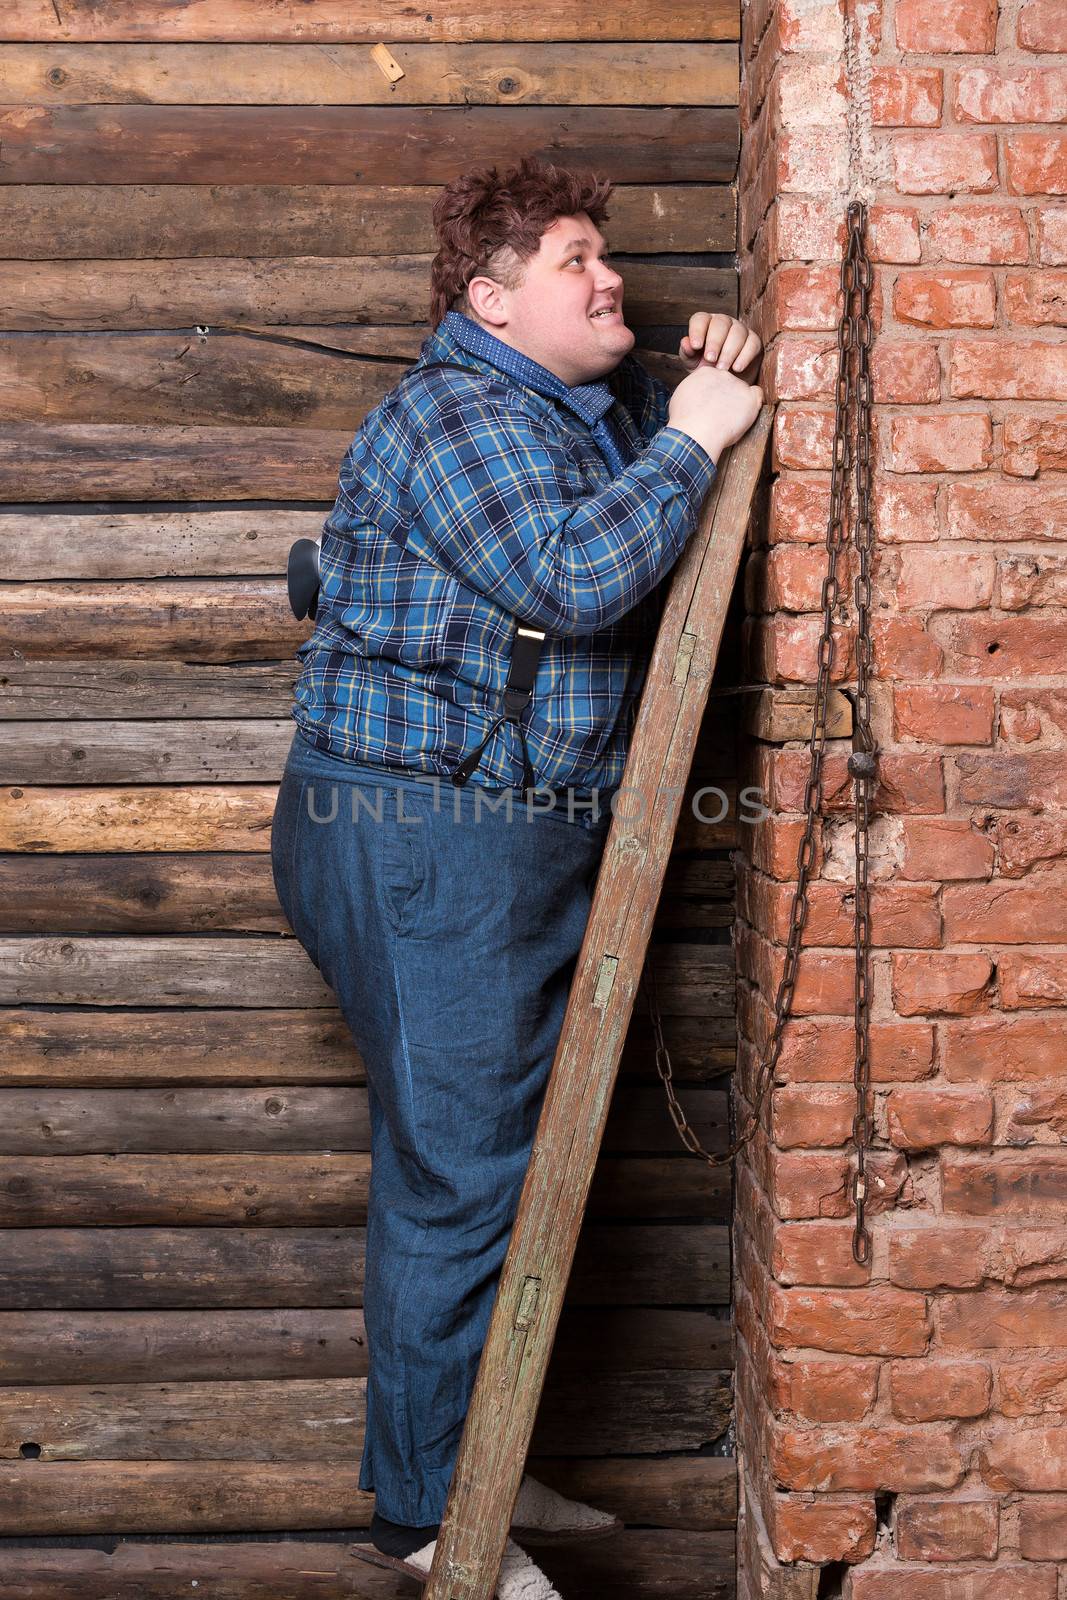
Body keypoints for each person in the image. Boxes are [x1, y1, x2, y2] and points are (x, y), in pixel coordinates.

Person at [270, 155, 762, 1598]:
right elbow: (571, 576)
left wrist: (700, 395)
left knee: (491, 1168)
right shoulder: (460, 412)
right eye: (572, 261)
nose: (606, 278)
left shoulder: (560, 412)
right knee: (458, 1179)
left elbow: (632, 533)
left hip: (480, 838)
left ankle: (473, 1450)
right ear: (492, 302)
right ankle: (435, 1519)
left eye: (604, 254)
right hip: (424, 838)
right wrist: (694, 440)